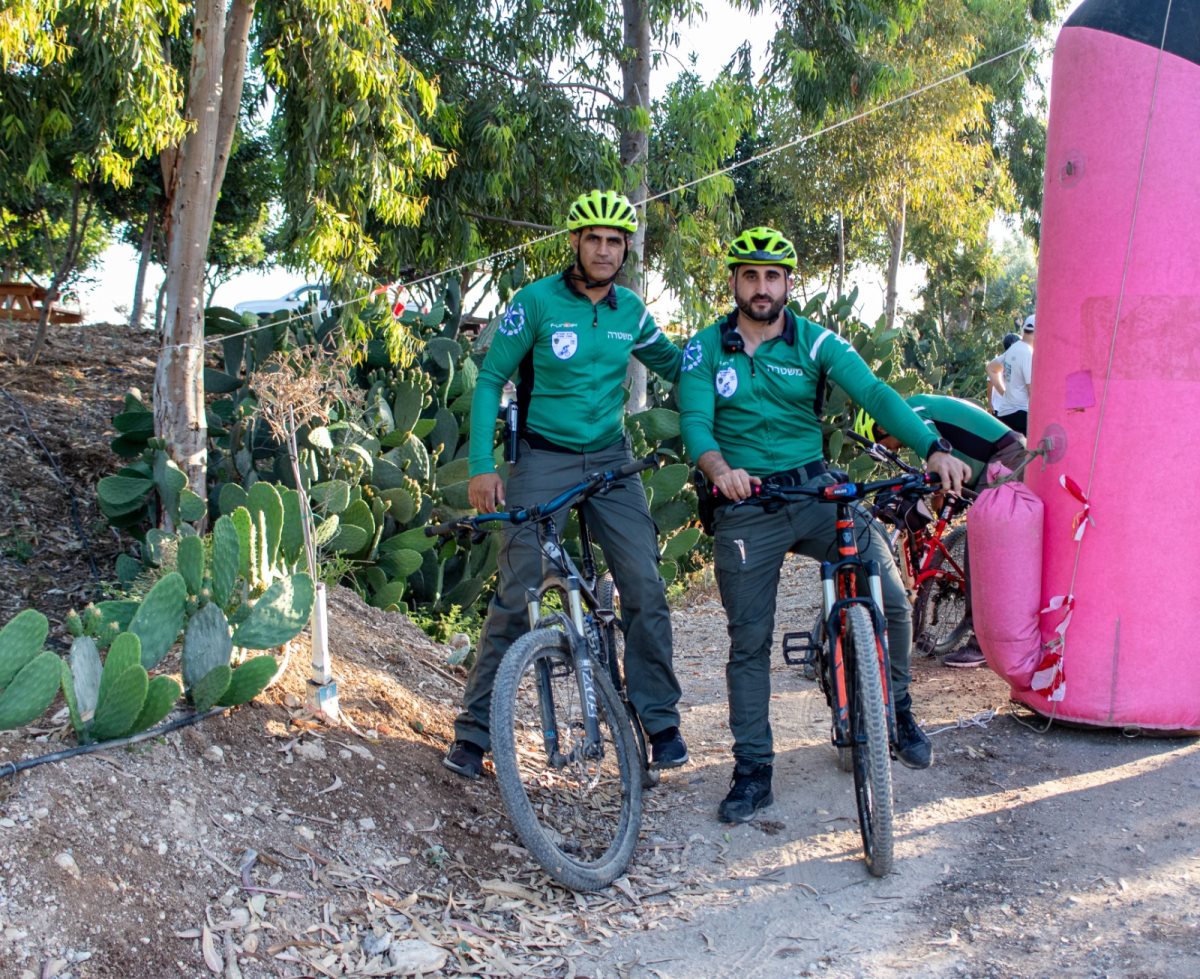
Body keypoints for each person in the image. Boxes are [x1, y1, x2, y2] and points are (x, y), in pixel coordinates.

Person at [678, 227, 972, 824]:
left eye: (773, 276)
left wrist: (934, 447)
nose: (762, 288)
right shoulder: (703, 349)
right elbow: (694, 422)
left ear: (789, 283)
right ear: (734, 281)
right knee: (748, 641)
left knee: (888, 594)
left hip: (814, 488)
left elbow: (875, 393)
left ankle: (897, 711)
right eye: (750, 276)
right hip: (745, 503)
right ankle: (753, 770)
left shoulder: (815, 343)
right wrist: (719, 470)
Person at [442, 189, 689, 779]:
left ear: (625, 248)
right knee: (517, 591)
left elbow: (678, 366)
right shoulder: (534, 303)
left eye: (615, 241)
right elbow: (489, 380)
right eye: (594, 239)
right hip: (542, 459)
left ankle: (660, 723)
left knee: (645, 585)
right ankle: (475, 734)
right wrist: (482, 465)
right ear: (574, 243)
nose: (605, 250)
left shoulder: (631, 310)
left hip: (610, 458)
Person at [853, 394, 1027, 669]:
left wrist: (942, 486)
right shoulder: (918, 405)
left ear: (884, 427)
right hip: (988, 459)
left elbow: (939, 451)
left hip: (1007, 456)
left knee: (982, 546)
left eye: (884, 444)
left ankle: (981, 644)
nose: (891, 450)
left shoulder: (911, 413)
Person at [995, 315, 1035, 434]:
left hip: (1005, 413)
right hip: (1021, 414)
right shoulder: (1028, 353)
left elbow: (991, 368)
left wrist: (1003, 392)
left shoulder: (1013, 348)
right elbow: (1030, 388)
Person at [986, 333, 1020, 416]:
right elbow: (990, 383)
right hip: (999, 406)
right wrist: (990, 403)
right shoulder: (1000, 362)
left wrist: (989, 402)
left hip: (1006, 407)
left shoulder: (997, 361)